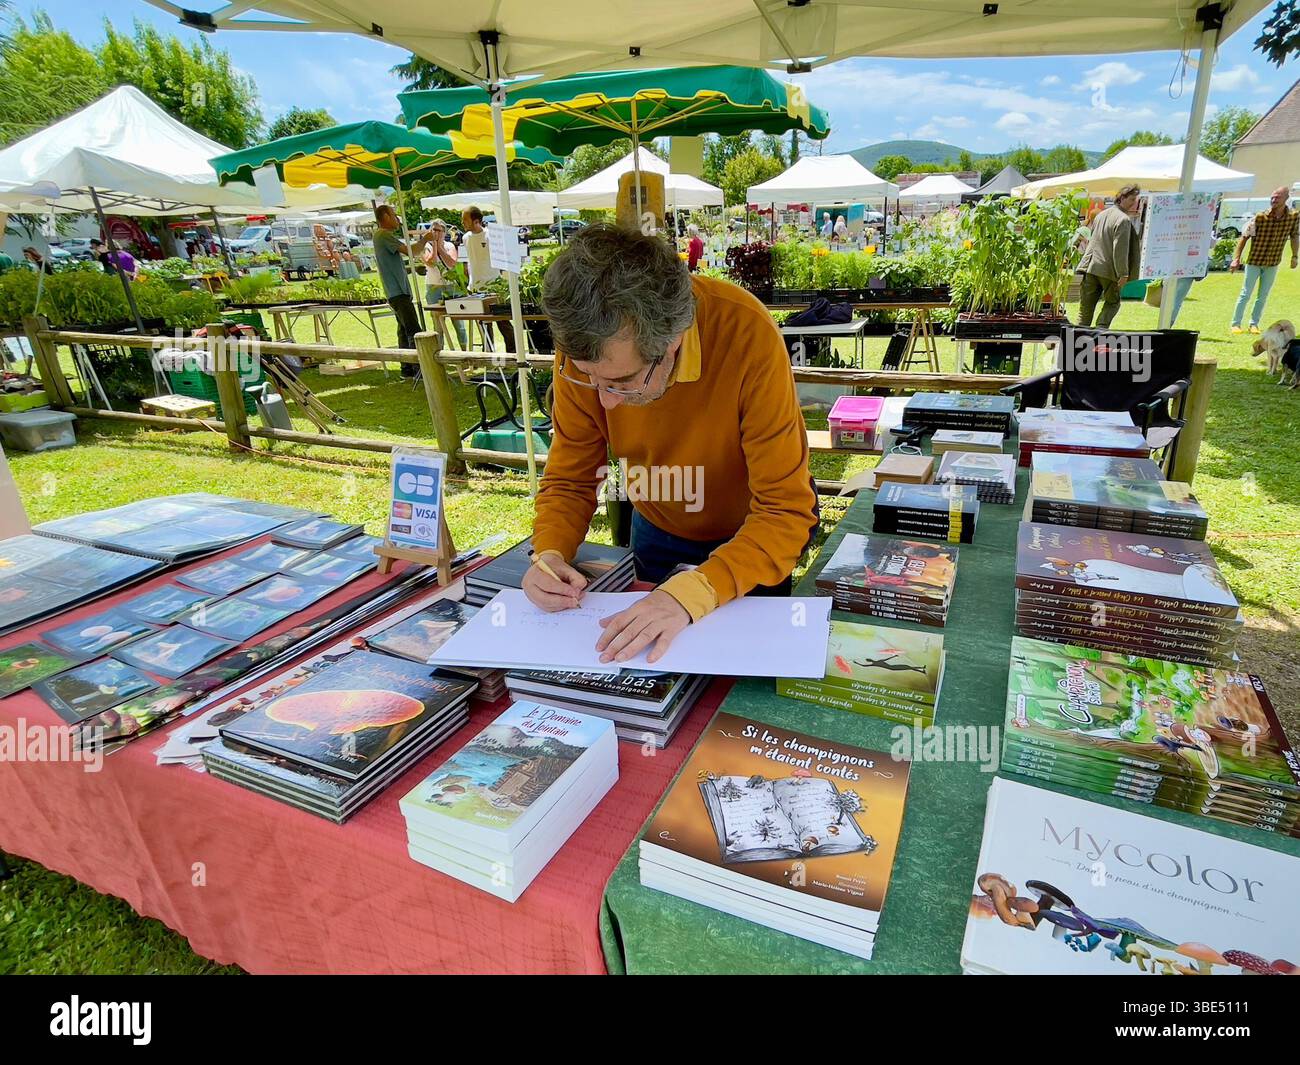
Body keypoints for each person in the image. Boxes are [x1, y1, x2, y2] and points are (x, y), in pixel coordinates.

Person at [521, 224, 819, 664]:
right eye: (589, 378)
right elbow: (570, 476)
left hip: (752, 537)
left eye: (621, 382)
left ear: (673, 342)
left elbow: (784, 510)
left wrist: (692, 593)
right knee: (654, 668)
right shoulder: (589, 349)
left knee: (734, 679)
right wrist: (549, 553)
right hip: (658, 525)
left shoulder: (746, 334)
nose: (604, 401)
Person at [1230, 185, 1299, 334]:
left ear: (1286, 199)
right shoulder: (1260, 217)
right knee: (1246, 293)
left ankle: (1253, 323)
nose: (1273, 200)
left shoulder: (1293, 217)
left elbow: (1294, 236)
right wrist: (1236, 259)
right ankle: (1235, 323)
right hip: (1255, 261)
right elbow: (1244, 237)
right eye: (1272, 197)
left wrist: (1294, 256)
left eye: (1277, 197)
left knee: (1263, 295)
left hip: (1273, 262)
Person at [372, 203, 431, 370]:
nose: (398, 219)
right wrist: (425, 239)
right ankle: (420, 367)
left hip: (396, 292)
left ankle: (407, 368)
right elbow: (410, 251)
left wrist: (410, 270)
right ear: (385, 217)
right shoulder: (383, 235)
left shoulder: (381, 237)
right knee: (414, 331)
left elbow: (391, 264)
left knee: (404, 331)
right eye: (393, 215)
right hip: (398, 292)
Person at [1076, 184, 1142, 329]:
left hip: (1091, 267)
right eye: (1132, 199)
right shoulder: (1123, 219)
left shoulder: (1101, 214)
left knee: (1085, 311)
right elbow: (1120, 250)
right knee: (1113, 303)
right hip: (1108, 271)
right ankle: (1100, 332)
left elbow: (1093, 240)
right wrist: (1123, 274)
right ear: (1122, 198)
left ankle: (1076, 340)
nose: (1134, 203)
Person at [460, 205, 514, 352]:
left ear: (476, 221)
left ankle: (513, 353)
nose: (462, 222)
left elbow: (505, 258)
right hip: (475, 288)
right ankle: (489, 355)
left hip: (493, 287)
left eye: (465, 219)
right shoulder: (465, 238)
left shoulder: (491, 235)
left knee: (503, 321)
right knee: (483, 323)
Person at [422, 219, 468, 348]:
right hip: (434, 287)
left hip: (451, 287)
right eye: (433, 230)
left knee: (459, 323)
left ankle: (465, 353)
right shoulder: (426, 246)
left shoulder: (450, 246)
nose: (436, 233)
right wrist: (434, 245)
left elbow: (452, 263)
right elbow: (431, 262)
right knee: (438, 324)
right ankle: (439, 352)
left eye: (439, 230)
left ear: (444, 232)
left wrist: (441, 247)